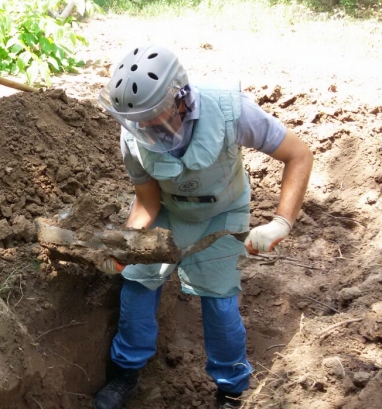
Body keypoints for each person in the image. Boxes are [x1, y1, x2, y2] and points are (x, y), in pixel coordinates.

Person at [93, 45, 313, 409]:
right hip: (168, 211)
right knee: (136, 289)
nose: (144, 127)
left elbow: (298, 155)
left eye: (153, 117)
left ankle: (229, 390)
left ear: (180, 99)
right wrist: (126, 246)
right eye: (138, 121)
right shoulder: (132, 132)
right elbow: (147, 201)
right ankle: (125, 373)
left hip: (222, 214)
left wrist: (281, 223)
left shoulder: (230, 110)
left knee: (220, 304)